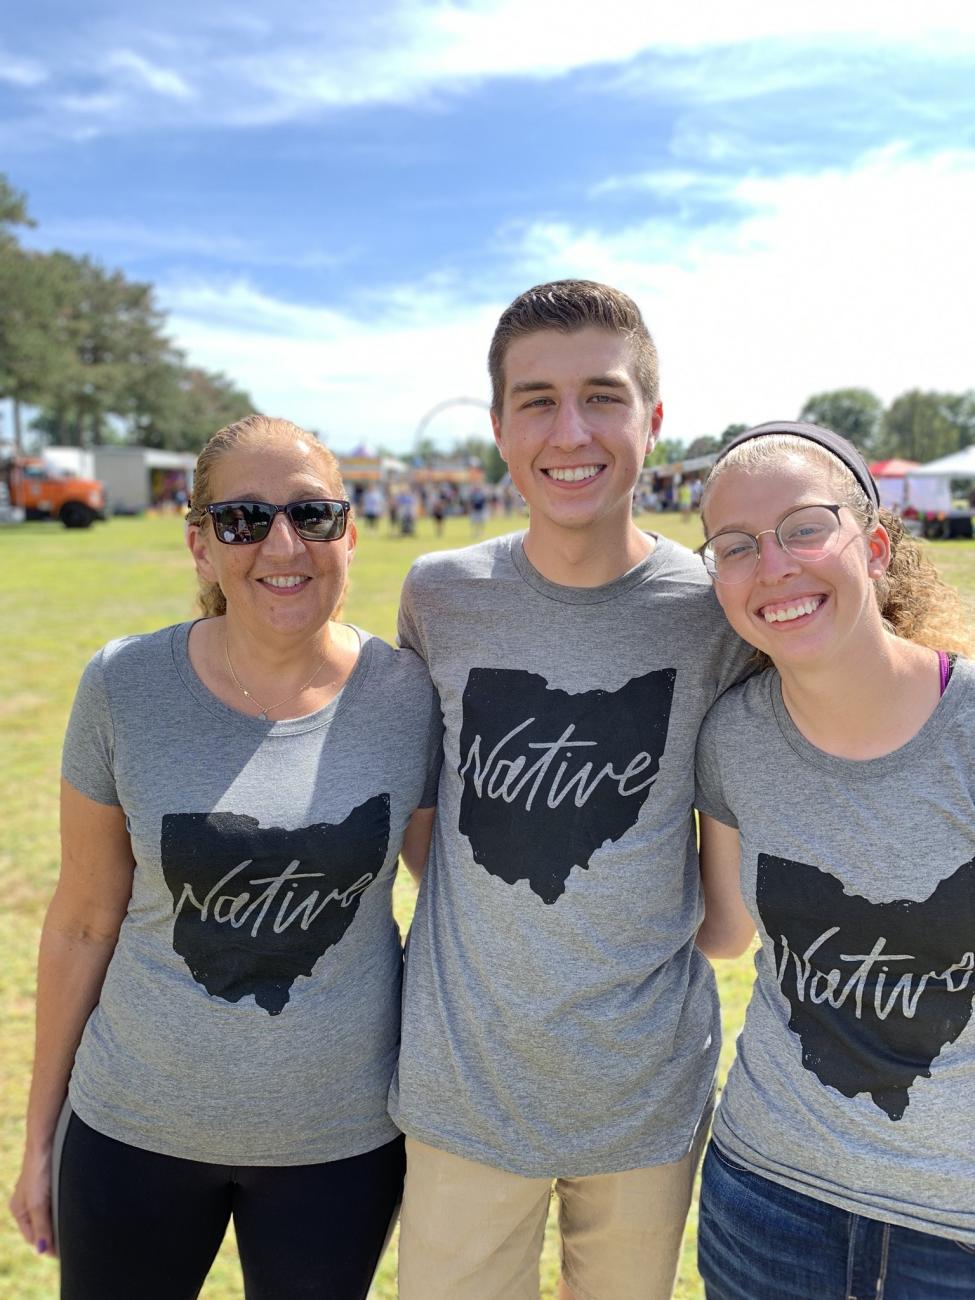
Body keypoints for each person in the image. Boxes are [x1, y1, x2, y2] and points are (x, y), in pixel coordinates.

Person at [9, 415, 441, 1300]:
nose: (283, 544)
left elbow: (450, 903)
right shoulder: (122, 685)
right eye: (244, 519)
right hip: (132, 1126)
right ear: (201, 545)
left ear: (349, 534)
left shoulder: (408, 697)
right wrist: (38, 1136)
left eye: (312, 516)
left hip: (338, 1144)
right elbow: (84, 922)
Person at [391, 280, 750, 1300]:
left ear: (654, 420)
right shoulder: (441, 593)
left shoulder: (716, 608)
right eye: (536, 399)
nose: (571, 429)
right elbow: (429, 825)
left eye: (603, 394)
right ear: (499, 425)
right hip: (468, 1081)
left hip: (644, 1091)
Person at [693, 421, 975, 1299]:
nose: (772, 565)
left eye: (804, 528)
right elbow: (725, 934)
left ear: (876, 546)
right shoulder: (731, 741)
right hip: (765, 1205)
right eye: (734, 546)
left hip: (951, 1230)